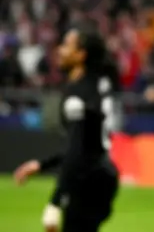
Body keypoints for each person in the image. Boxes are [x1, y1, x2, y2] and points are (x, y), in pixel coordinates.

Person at [13, 22, 121, 232]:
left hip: (88, 180)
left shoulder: (77, 96)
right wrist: (42, 165)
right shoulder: (97, 84)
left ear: (81, 55)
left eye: (66, 45)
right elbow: (85, 146)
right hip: (101, 175)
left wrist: (55, 201)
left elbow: (78, 151)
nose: (59, 50)